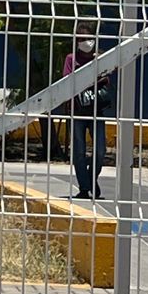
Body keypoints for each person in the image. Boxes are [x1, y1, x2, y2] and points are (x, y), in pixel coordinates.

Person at [62, 24, 111, 200]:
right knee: (79, 151)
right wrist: (94, 80)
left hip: (97, 110)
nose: (86, 42)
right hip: (77, 111)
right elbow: (68, 80)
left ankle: (90, 178)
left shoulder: (100, 58)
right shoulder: (71, 59)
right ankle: (85, 188)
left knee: (100, 150)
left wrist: (90, 79)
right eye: (81, 39)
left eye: (88, 38)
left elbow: (106, 79)